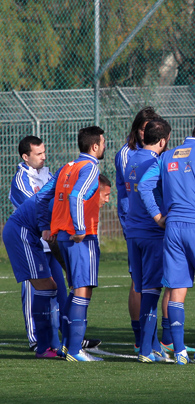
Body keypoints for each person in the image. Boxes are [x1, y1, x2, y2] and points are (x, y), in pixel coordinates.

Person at [138, 118, 195, 365]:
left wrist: (158, 216)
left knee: (177, 288)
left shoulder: (167, 156)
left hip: (172, 228)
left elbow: (144, 185)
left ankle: (179, 352)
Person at [36, 126, 108, 362]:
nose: (104, 146)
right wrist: (79, 229)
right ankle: (76, 351)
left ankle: (68, 346)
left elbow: (44, 197)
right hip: (78, 238)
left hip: (61, 238)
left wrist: (45, 224)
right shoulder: (90, 167)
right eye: (103, 142)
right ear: (95, 146)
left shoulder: (68, 167)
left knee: (75, 289)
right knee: (82, 291)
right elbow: (76, 196)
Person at [9, 136, 69, 352]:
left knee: (60, 289)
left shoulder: (49, 175)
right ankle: (35, 337)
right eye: (38, 154)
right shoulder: (20, 180)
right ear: (26, 157)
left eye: (44, 152)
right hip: (31, 242)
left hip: (49, 241)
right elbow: (35, 207)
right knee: (32, 291)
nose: (44, 157)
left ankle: (69, 335)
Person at [124, 118, 173, 363]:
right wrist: (158, 216)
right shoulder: (157, 163)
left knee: (142, 287)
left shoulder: (131, 158)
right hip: (152, 233)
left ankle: (152, 344)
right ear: (163, 141)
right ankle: (145, 349)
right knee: (153, 290)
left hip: (132, 232)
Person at [115, 107, 162, 351]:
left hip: (142, 225)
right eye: (144, 128)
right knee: (141, 283)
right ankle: (141, 339)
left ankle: (154, 340)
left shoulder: (149, 157)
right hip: (138, 224)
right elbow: (135, 190)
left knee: (155, 282)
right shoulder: (130, 154)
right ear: (137, 129)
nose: (147, 133)